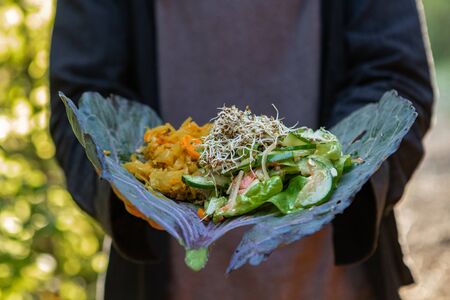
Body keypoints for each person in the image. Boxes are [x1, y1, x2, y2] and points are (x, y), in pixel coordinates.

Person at [49, 0, 434, 299]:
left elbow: (397, 79)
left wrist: (329, 176)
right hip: (163, 284)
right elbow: (81, 97)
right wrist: (126, 190)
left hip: (332, 282)